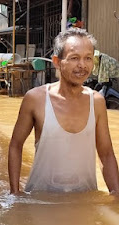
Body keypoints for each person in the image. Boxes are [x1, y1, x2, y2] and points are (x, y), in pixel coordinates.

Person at [8, 28, 119, 194]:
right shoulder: (35, 99)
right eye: (74, 58)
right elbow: (16, 145)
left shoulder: (96, 101)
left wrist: (116, 195)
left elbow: (107, 154)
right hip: (41, 199)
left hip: (84, 200)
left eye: (88, 58)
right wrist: (14, 193)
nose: (82, 65)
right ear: (57, 62)